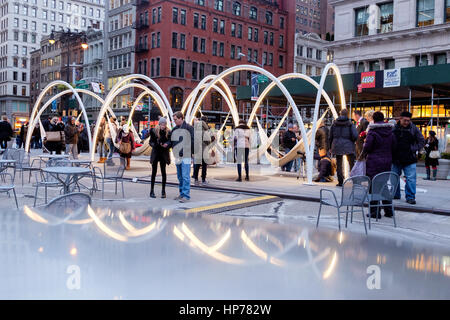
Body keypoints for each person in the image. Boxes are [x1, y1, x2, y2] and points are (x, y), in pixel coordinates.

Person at [359, 111, 395, 219]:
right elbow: (394, 146)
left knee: (373, 186)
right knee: (383, 185)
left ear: (373, 119)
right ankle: (389, 210)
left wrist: (363, 151)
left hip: (374, 162)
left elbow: (367, 147)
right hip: (387, 161)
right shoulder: (390, 132)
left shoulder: (373, 132)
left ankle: (375, 212)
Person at [392, 111, 425, 205]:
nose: (407, 122)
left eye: (408, 121)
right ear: (400, 119)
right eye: (405, 120)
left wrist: (412, 149)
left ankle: (410, 197)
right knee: (394, 177)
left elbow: (422, 141)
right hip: (396, 157)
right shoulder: (394, 128)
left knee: (411, 179)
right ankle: (395, 194)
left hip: (409, 158)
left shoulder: (413, 128)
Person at [329, 109, 358, 186]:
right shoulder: (350, 124)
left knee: (339, 164)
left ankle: (340, 181)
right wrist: (351, 141)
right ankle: (354, 181)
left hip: (337, 145)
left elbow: (330, 136)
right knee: (351, 163)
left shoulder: (334, 124)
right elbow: (355, 135)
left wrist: (330, 146)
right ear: (347, 114)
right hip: (348, 145)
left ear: (340, 114)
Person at [171, 111, 194, 203]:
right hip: (178, 155)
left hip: (186, 155)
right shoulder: (175, 129)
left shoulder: (189, 128)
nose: (174, 121)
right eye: (174, 120)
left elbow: (193, 141)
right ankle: (182, 193)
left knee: (185, 176)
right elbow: (172, 140)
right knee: (180, 176)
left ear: (181, 118)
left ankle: (186, 195)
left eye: (175, 119)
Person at [149, 117, 171, 198]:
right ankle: (152, 191)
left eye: (164, 124)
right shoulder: (154, 131)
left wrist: (166, 144)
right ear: (159, 124)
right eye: (162, 124)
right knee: (153, 172)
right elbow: (150, 142)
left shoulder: (168, 132)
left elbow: (170, 141)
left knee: (163, 172)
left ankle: (163, 191)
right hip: (156, 152)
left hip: (163, 153)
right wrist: (155, 144)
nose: (163, 126)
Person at [193, 116, 213, 185]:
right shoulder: (205, 130)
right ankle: (203, 180)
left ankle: (195, 179)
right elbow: (208, 141)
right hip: (204, 149)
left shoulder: (195, 129)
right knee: (204, 165)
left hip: (197, 149)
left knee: (197, 165)